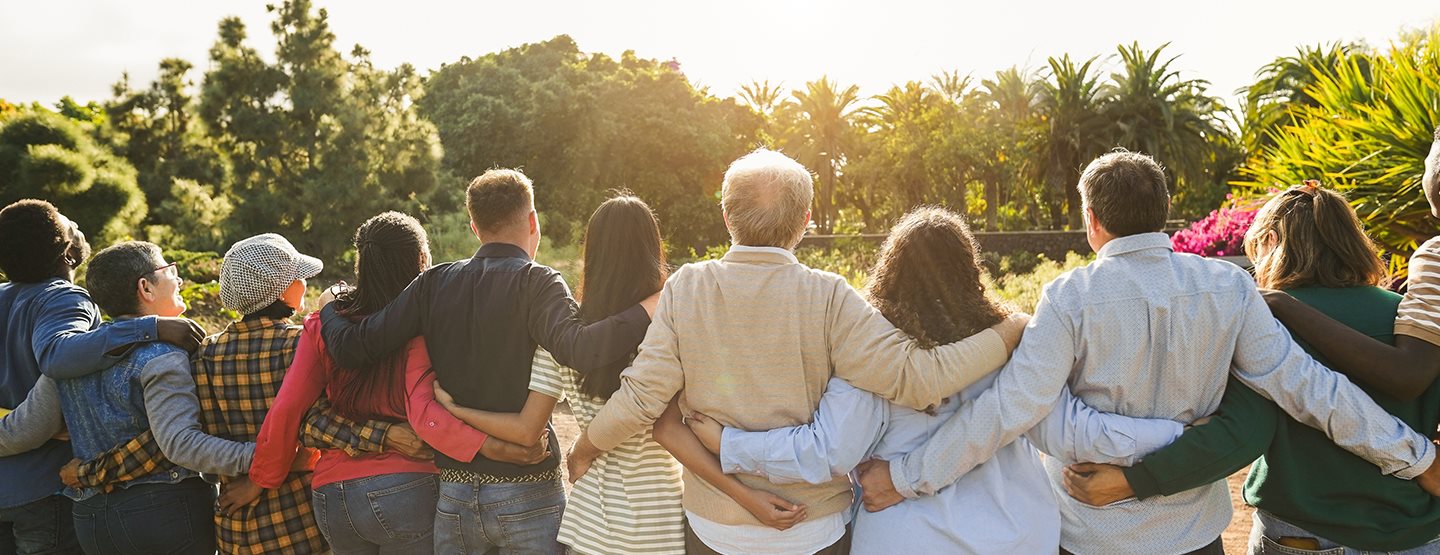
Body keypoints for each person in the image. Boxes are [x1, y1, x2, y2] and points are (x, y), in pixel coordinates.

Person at [852, 150, 1440, 555]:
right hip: (1193, 533)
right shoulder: (1229, 287)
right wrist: (1414, 456)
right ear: (1164, 212)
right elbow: (1312, 389)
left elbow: (1012, 408)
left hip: (1090, 537)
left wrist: (906, 477)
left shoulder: (1069, 296)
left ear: (1092, 219)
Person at [567, 150, 1028, 555]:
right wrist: (1009, 331)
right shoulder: (829, 297)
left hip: (715, 530)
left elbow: (641, 400)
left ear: (727, 217)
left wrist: (586, 446)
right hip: (814, 531)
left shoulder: (687, 288)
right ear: (805, 222)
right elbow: (920, 378)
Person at [676, 207, 1184, 554]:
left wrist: (732, 445)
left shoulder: (873, 350)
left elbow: (829, 450)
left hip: (905, 539)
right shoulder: (1013, 342)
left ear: (889, 268)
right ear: (971, 268)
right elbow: (1070, 433)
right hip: (1017, 537)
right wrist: (1177, 434)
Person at [1061, 185, 1440, 554]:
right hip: (1418, 533)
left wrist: (1134, 480)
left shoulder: (1264, 322)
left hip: (1303, 535)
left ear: (1271, 242)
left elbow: (1245, 433)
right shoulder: (1413, 324)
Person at [434, 195, 801, 554]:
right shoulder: (670, 331)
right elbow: (675, 431)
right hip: (662, 524)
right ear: (652, 249)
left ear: (591, 255)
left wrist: (459, 411)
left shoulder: (561, 338)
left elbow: (526, 430)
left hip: (589, 526)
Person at [317, 170, 659, 554]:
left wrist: (331, 304)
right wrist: (648, 307)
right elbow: (580, 349)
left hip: (455, 498)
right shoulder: (539, 282)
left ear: (474, 227)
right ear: (533, 221)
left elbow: (353, 347)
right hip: (528, 496)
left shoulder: (433, 283)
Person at [238, 212, 547, 555]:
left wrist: (262, 478)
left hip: (333, 494)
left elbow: (288, 406)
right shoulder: (423, 321)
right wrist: (494, 446)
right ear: (421, 260)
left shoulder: (323, 323)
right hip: (406, 487)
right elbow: (424, 411)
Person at [0, 200, 203, 555]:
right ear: (68, 252)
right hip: (46, 488)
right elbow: (57, 355)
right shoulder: (63, 298)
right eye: (68, 224)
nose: (77, 223)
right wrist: (151, 326)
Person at [48, 241, 253, 554]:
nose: (179, 278)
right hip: (162, 512)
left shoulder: (73, 357)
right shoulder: (164, 355)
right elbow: (172, 444)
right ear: (145, 287)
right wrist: (266, 459)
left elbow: (28, 427)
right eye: (170, 270)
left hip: (90, 519)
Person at [1254, 125, 1440, 401]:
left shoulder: (1434, 257)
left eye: (1428, 160)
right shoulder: (1395, 311)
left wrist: (1281, 303)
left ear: (1271, 241)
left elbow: (1409, 375)